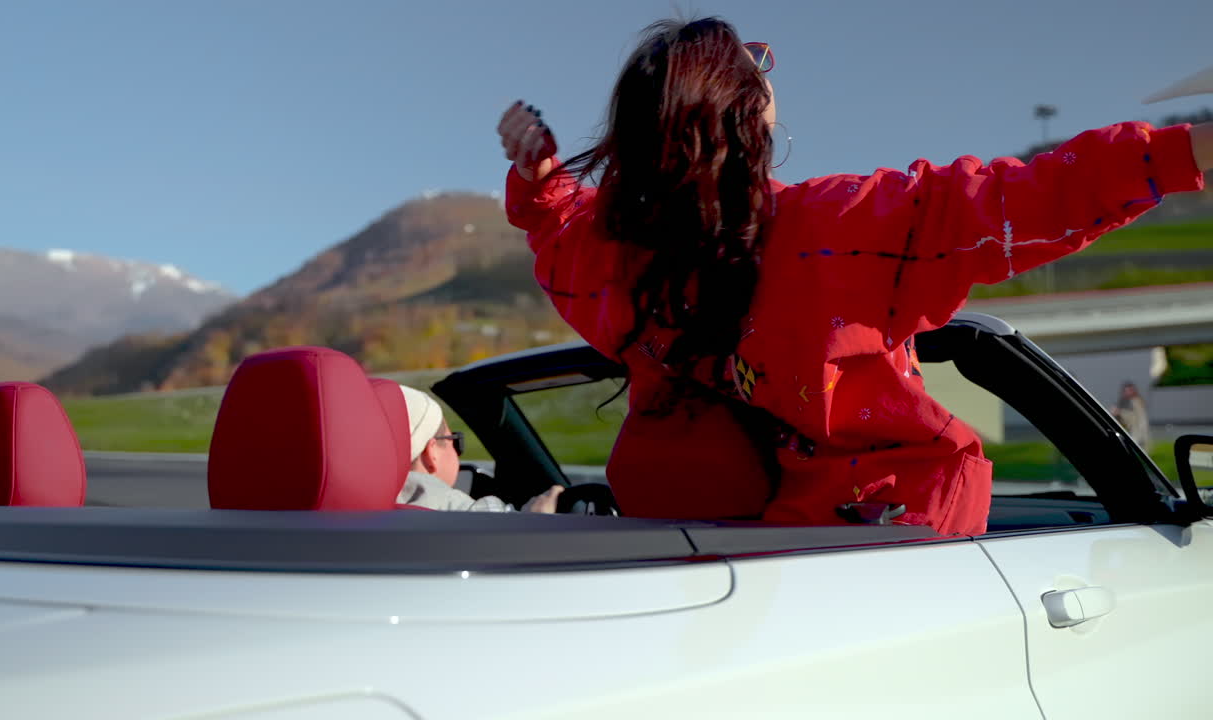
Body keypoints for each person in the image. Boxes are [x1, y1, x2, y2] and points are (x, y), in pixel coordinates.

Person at [497, 17, 1211, 535]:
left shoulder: (612, 267)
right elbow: (1019, 199)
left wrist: (542, 180)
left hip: (690, 543)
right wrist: (1190, 150)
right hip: (875, 544)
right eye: (756, 62)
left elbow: (557, 232)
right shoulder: (836, 230)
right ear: (747, 112)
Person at [396, 385, 564, 512]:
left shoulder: (382, 512)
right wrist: (534, 520)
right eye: (454, 440)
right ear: (432, 452)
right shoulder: (468, 515)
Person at [1112, 381, 1151, 452]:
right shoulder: (1124, 402)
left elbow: (1135, 418)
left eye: (1130, 390)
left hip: (1138, 434)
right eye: (1126, 391)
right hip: (1133, 433)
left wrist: (1120, 412)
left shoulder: (1137, 402)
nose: (1128, 392)